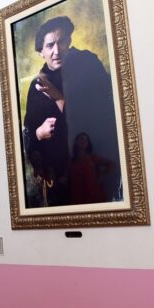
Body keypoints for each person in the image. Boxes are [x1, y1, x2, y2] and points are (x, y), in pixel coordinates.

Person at [22, 16, 122, 206]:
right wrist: (39, 133)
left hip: (94, 168)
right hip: (59, 176)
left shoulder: (88, 64)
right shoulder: (37, 85)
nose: (57, 51)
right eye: (50, 45)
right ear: (41, 52)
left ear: (69, 41)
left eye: (61, 42)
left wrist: (58, 97)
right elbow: (30, 131)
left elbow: (103, 112)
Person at [69, 132, 114, 205]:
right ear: (76, 142)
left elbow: (111, 164)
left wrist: (102, 175)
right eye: (81, 139)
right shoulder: (71, 161)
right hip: (78, 196)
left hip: (94, 195)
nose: (84, 141)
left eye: (86, 140)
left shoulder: (93, 158)